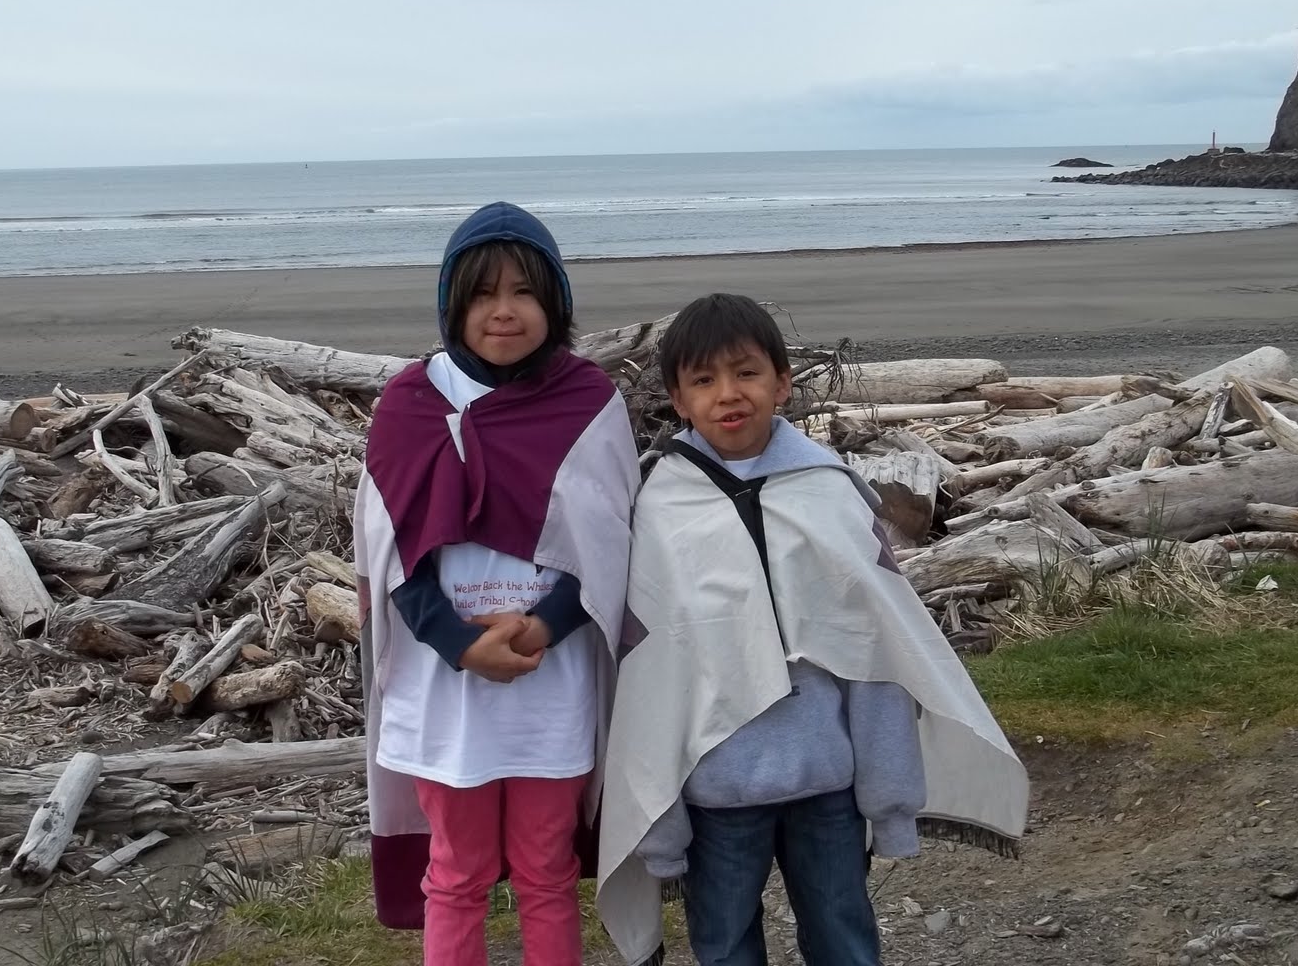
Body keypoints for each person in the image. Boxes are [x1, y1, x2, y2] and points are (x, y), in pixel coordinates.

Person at [596, 293, 1028, 966]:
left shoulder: (829, 491)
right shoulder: (659, 506)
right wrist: (661, 823)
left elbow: (878, 649)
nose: (728, 394)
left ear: (782, 383)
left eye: (746, 373)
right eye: (704, 380)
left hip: (826, 782)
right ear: (678, 400)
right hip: (718, 790)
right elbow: (652, 671)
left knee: (842, 939)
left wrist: (888, 795)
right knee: (725, 946)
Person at [355, 201, 640, 966]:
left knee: (548, 870)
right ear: (453, 304)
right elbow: (391, 554)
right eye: (482, 294)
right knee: (457, 874)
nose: (504, 311)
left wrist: (545, 625)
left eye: (523, 292)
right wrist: (458, 643)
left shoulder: (590, 402)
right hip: (445, 686)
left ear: (556, 302)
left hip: (553, 680)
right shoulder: (410, 403)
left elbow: (610, 547)